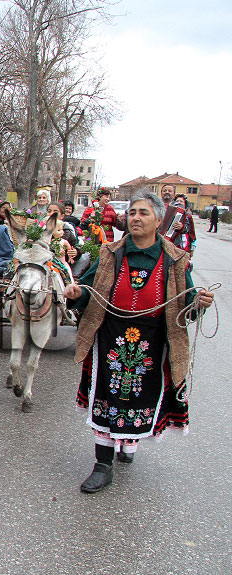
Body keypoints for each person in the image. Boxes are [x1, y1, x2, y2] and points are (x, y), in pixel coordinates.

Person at [63, 190, 214, 494]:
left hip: (153, 341)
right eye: (132, 213)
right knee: (106, 396)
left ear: (159, 219)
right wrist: (78, 294)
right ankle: (102, 465)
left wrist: (199, 302)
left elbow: (187, 301)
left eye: (143, 213)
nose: (135, 218)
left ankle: (127, 443)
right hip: (109, 337)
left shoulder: (176, 260)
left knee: (138, 398)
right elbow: (90, 286)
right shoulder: (111, 254)